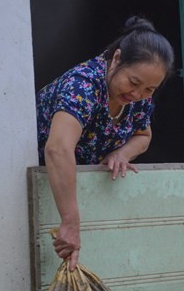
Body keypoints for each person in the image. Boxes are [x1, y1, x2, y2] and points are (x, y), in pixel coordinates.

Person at [36, 16, 174, 271]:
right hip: (40, 187)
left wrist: (122, 154)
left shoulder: (138, 98)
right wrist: (69, 220)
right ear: (117, 58)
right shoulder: (83, 85)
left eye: (149, 89)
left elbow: (143, 136)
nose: (137, 95)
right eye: (133, 83)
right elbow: (57, 149)